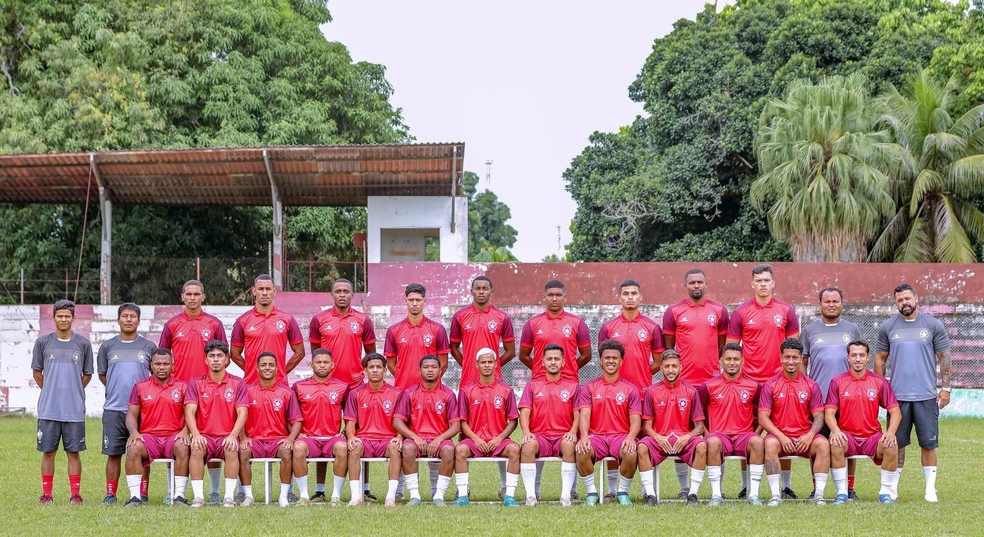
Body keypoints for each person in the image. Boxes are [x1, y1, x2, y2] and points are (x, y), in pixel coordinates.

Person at [874, 283, 952, 503]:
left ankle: (930, 490)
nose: (904, 303)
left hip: (926, 396)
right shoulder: (888, 326)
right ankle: (893, 489)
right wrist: (881, 389)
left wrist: (945, 389)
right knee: (896, 444)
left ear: (916, 298)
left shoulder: (933, 324)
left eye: (907, 298)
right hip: (897, 399)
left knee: (929, 443)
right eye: (899, 300)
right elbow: (880, 358)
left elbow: (944, 357)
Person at [726, 264, 799, 498]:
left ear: (773, 283)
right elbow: (732, 349)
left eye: (767, 280)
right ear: (752, 284)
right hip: (748, 382)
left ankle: (785, 486)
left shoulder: (786, 310)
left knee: (783, 429)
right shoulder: (740, 313)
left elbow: (793, 349)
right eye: (759, 280)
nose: (763, 284)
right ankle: (747, 484)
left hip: (779, 382)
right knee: (749, 432)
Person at [662, 268, 729, 499]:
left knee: (714, 434)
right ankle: (684, 488)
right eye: (692, 282)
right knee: (682, 432)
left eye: (700, 281)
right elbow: (670, 347)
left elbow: (722, 345)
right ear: (686, 285)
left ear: (706, 284)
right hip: (685, 385)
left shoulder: (719, 311)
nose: (696, 286)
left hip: (711, 383)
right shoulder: (674, 312)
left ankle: (715, 489)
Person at [158, 279, 228, 503]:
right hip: (178, 390)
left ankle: (215, 492)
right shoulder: (172, 325)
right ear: (182, 297)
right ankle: (174, 491)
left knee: (212, 437)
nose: (192, 298)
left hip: (207, 389)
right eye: (188, 294)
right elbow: (163, 356)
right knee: (178, 440)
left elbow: (223, 356)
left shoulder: (214, 324)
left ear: (203, 297)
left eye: (196, 294)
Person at [308, 278, 375, 500]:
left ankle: (364, 488)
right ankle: (320, 489)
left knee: (360, 434)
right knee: (323, 434)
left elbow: (370, 352)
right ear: (332, 294)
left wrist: (359, 373)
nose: (342, 295)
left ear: (352, 294)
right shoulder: (319, 319)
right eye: (338, 291)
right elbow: (317, 353)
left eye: (346, 291)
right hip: (326, 387)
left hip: (355, 386)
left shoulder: (363, 320)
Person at [597, 279, 663, 500]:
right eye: (626, 293)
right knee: (615, 437)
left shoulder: (652, 327)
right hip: (613, 394)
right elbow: (605, 358)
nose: (630, 297)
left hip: (643, 393)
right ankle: (613, 491)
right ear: (619, 298)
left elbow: (659, 360)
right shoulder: (609, 327)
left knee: (644, 443)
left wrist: (644, 372)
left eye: (634, 293)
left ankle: (647, 490)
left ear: (640, 297)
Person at [801, 286, 862, 499]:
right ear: (820, 305)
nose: (831, 305)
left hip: (847, 399)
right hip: (819, 399)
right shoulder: (809, 330)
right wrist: (805, 388)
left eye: (835, 301)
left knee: (848, 442)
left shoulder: (852, 329)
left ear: (842, 303)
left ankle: (849, 488)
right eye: (827, 301)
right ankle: (817, 487)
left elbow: (858, 359)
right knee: (818, 444)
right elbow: (803, 362)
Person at [33, 299, 94, 505]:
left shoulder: (83, 344)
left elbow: (87, 375)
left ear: (73, 318)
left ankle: (75, 495)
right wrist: (52, 389)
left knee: (73, 452)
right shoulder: (42, 342)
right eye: (60, 316)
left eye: (67, 316)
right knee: (48, 452)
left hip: (74, 410)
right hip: (48, 409)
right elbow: (37, 373)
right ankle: (46, 495)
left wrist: (72, 390)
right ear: (54, 317)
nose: (64, 319)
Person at [826, 340, 902, 505]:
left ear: (868, 357)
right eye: (854, 355)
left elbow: (895, 411)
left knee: (891, 444)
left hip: (872, 437)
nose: (858, 359)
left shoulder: (879, 381)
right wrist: (836, 430)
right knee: (836, 443)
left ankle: (885, 492)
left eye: (861, 355)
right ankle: (842, 493)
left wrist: (890, 432)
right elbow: (829, 412)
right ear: (848, 358)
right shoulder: (837, 382)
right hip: (848, 436)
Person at [758, 338, 830, 506]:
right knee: (769, 445)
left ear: (801, 359)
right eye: (787, 357)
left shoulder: (811, 385)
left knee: (823, 444)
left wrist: (810, 434)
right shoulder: (771, 385)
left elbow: (819, 416)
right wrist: (781, 436)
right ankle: (776, 495)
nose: (791, 361)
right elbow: (763, 417)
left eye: (795, 357)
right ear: (781, 358)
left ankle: (819, 495)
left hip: (804, 436)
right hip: (779, 436)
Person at [97, 303, 156, 504]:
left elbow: (155, 376)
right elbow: (103, 375)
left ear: (139, 320)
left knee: (141, 453)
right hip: (114, 408)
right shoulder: (107, 346)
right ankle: (111, 494)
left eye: (132, 316)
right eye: (125, 316)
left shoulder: (149, 347)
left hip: (143, 410)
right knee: (113, 454)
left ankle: (142, 493)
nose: (129, 319)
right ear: (119, 319)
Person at [574, 339, 641, 506]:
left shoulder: (630, 389)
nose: (611, 361)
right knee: (582, 450)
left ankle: (622, 492)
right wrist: (584, 436)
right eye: (607, 357)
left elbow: (635, 419)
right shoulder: (589, 387)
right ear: (600, 361)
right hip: (597, 437)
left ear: (621, 361)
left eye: (615, 358)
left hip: (620, 436)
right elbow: (584, 415)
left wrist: (631, 437)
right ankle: (592, 493)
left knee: (631, 452)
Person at [637, 349, 707, 506]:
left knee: (702, 445)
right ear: (661, 367)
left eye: (674, 366)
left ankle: (693, 495)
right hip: (660, 438)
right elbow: (647, 426)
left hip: (683, 438)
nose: (670, 370)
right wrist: (657, 437)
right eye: (667, 366)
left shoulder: (691, 391)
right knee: (641, 446)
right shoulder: (651, 391)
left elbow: (700, 426)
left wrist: (687, 437)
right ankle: (650, 496)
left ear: (680, 367)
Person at [698, 343, 765, 506]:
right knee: (712, 442)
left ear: (743, 361)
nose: (732, 362)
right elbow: (697, 414)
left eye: (736, 359)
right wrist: (706, 433)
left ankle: (753, 495)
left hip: (744, 436)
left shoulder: (754, 386)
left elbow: (763, 413)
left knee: (758, 441)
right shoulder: (708, 386)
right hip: (719, 436)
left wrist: (756, 432)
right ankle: (716, 495)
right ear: (721, 360)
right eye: (728, 359)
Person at [122, 349, 191, 506]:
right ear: (151, 365)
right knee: (133, 447)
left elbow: (191, 414)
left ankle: (179, 496)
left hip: (174, 436)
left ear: (173, 365)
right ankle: (135, 497)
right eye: (158, 364)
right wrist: (133, 432)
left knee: (183, 445)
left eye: (166, 364)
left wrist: (186, 430)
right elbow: (132, 415)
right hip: (149, 437)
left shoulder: (183, 387)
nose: (161, 367)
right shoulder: (140, 387)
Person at [454, 348, 521, 507]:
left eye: (490, 362)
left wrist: (499, 438)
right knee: (459, 450)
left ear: (496, 365)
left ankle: (509, 496)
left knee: (515, 450)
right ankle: (462, 496)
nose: (486, 365)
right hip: (474, 440)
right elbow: (462, 422)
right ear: (477, 365)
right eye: (483, 362)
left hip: (498, 440)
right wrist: (476, 439)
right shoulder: (466, 390)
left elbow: (513, 420)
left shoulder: (506, 390)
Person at [185, 340, 249, 508]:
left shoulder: (238, 383)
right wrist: (196, 434)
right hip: (205, 435)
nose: (215, 359)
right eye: (211, 356)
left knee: (231, 446)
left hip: (226, 435)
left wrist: (233, 435)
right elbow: (190, 411)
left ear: (226, 359)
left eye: (219, 356)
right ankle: (198, 497)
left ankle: (228, 497)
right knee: (197, 447)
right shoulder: (196, 383)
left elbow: (242, 412)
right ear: (205, 360)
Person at [393, 355, 461, 506]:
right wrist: (414, 437)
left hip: (440, 438)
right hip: (416, 438)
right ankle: (414, 496)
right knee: (408, 448)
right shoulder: (409, 393)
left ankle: (439, 496)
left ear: (440, 370)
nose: (430, 370)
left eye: (434, 367)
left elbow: (456, 426)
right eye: (426, 367)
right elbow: (397, 421)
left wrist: (439, 439)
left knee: (449, 450)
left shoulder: (448, 394)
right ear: (419, 370)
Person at [518, 343, 581, 506]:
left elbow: (578, 414)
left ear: (563, 362)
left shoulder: (573, 386)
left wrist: (573, 431)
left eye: (556, 359)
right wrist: (526, 432)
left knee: (569, 445)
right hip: (540, 437)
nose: (553, 362)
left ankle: (566, 496)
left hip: (562, 436)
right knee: (527, 446)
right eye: (549, 359)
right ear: (543, 362)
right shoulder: (532, 386)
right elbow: (524, 412)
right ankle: (531, 496)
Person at [238, 352, 303, 507]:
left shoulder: (287, 392)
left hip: (278, 440)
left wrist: (290, 439)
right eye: (263, 365)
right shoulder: (247, 391)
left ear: (277, 368)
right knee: (242, 452)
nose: (267, 368)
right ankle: (248, 496)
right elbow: (239, 417)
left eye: (271, 365)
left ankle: (283, 496)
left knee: (287, 451)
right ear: (257, 368)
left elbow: (297, 421)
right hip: (255, 440)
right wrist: (243, 437)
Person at [343, 353, 405, 507]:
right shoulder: (355, 393)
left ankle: (390, 497)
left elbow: (401, 421)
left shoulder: (397, 393)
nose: (375, 370)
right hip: (364, 439)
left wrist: (399, 436)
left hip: (387, 439)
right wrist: (351, 436)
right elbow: (350, 422)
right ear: (365, 371)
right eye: (371, 367)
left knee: (395, 448)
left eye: (379, 367)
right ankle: (355, 497)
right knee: (354, 447)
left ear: (385, 371)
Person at [291, 348, 351, 506]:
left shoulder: (343, 387)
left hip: (332, 437)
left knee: (342, 447)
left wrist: (346, 433)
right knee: (297, 448)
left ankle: (335, 497)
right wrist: (297, 433)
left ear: (333, 364)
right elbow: (289, 414)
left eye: (326, 362)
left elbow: (352, 414)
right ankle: (304, 497)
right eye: (318, 362)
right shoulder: (299, 387)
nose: (322, 365)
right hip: (308, 438)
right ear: (311, 364)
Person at [230, 274, 304, 386]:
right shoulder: (242, 320)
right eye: (260, 289)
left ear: (274, 291)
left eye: (268, 289)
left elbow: (300, 352)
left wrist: (281, 371)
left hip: (279, 385)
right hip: (251, 384)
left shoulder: (287, 319)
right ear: (254, 291)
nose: (264, 293)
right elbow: (234, 354)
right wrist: (253, 370)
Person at [450, 275, 516, 390]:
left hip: (494, 381)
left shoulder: (502, 317)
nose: (481, 292)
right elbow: (453, 347)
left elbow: (510, 351)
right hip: (468, 380)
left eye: (485, 289)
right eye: (477, 288)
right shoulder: (459, 316)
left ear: (491, 291)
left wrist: (493, 366)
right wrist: (468, 365)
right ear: (471, 291)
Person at [519, 280, 591, 383]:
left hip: (569, 381)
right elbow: (523, 356)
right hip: (540, 381)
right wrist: (539, 369)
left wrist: (570, 369)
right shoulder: (532, 323)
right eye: (550, 295)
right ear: (544, 297)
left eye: (558, 295)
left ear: (564, 297)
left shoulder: (578, 323)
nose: (554, 299)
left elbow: (587, 355)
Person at [384, 283, 450, 390]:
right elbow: (391, 364)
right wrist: (403, 378)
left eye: (418, 300)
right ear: (405, 301)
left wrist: (430, 381)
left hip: (430, 391)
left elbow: (443, 364)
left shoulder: (438, 329)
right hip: (403, 390)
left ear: (425, 301)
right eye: (411, 300)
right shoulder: (394, 330)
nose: (414, 304)